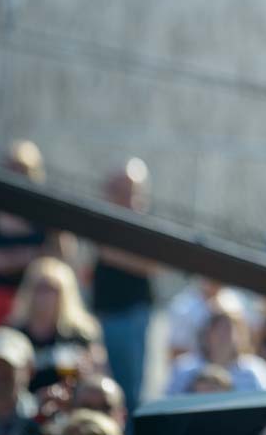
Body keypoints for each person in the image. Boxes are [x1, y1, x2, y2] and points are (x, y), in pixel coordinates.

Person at [0, 141, 75, 332]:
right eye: (12, 169)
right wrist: (24, 257)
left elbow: (63, 256)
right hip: (0, 298)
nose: (17, 176)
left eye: (23, 170)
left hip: (41, 303)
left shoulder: (47, 212)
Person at [90, 159, 158, 415]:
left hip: (130, 315)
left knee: (128, 390)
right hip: (102, 314)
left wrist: (113, 252)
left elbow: (155, 265)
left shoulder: (143, 224)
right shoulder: (104, 221)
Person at [6, 258, 105, 393]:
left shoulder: (81, 335)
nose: (45, 296)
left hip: (69, 404)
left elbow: (101, 379)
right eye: (40, 288)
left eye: (52, 289)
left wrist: (88, 374)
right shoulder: (14, 335)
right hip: (25, 406)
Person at [164, 306, 266, 395]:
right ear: (206, 334)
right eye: (216, 328)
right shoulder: (184, 368)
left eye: (228, 328)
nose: (222, 335)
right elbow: (169, 405)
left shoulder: (256, 369)